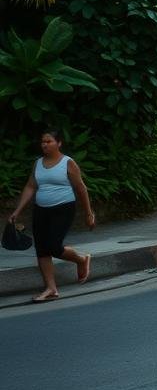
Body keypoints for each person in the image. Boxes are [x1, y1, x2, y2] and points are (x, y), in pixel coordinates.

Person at [7, 129, 95, 303]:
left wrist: (88, 213)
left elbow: (81, 188)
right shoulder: (38, 163)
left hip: (63, 209)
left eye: (49, 141)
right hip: (41, 210)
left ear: (59, 143)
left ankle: (81, 259)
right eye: (42, 142)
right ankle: (51, 288)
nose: (45, 145)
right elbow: (31, 186)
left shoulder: (68, 163)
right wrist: (17, 211)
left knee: (54, 246)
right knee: (42, 249)